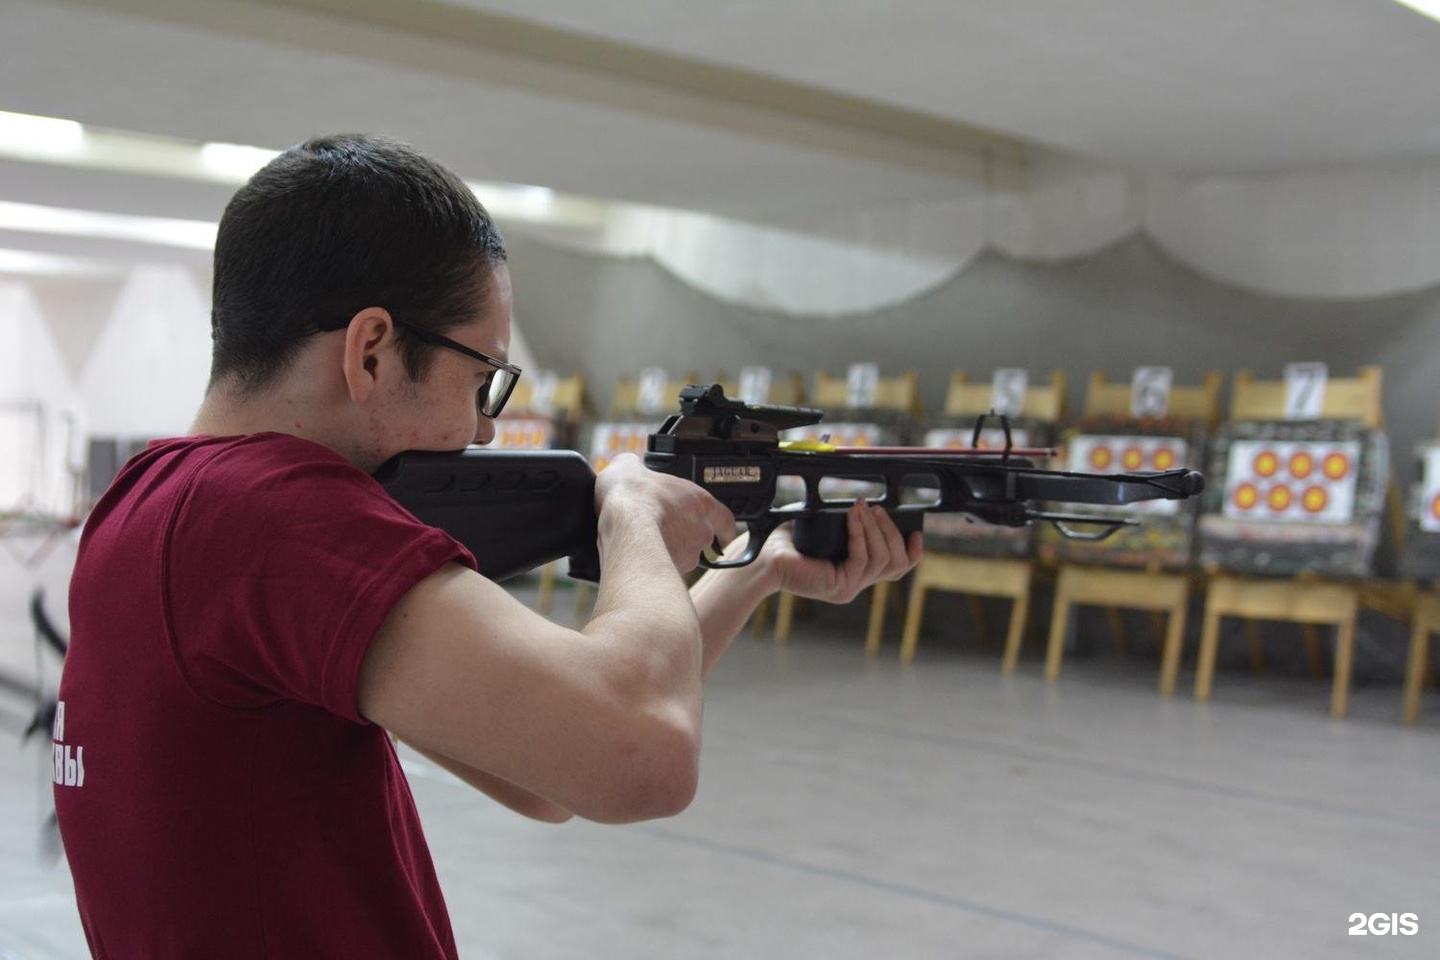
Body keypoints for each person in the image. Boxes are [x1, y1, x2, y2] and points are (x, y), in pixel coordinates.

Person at [53, 133, 922, 958]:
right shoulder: (279, 518)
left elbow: (550, 773)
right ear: (372, 351)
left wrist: (754, 572)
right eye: (483, 380)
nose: (478, 429)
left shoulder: (151, 502)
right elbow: (641, 761)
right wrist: (631, 512)